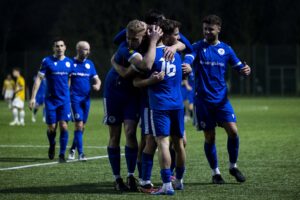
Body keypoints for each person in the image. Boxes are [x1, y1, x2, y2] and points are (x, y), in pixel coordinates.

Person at [182, 15, 251, 184]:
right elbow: (188, 59)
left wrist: (245, 70)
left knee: (233, 132)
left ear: (219, 29)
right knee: (209, 137)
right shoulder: (197, 47)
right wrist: (187, 65)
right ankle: (216, 173)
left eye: (210, 29)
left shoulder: (226, 49)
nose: (207, 32)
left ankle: (233, 166)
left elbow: (239, 67)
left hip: (222, 101)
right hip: (203, 102)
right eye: (205, 28)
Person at [104, 19, 162, 192]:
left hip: (132, 94)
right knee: (114, 135)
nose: (130, 41)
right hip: (113, 91)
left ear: (144, 37)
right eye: (128, 37)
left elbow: (184, 43)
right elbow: (144, 65)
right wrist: (118, 65)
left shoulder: (147, 45)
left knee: (130, 132)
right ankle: (117, 178)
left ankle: (130, 175)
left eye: (135, 39)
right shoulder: (125, 47)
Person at [145, 19, 186, 195]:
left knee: (162, 142)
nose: (178, 38)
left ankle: (167, 186)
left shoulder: (153, 54)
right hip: (177, 104)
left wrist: (152, 42)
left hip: (160, 105)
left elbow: (146, 65)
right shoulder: (176, 55)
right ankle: (179, 181)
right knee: (179, 143)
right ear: (167, 36)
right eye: (175, 35)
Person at [29, 38, 73, 163]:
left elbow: (69, 79)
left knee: (64, 126)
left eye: (61, 46)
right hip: (50, 100)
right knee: (52, 128)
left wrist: (68, 94)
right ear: (54, 48)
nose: (59, 48)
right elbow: (38, 79)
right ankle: (52, 144)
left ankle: (61, 155)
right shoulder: (47, 61)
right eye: (57, 46)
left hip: (64, 100)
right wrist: (33, 97)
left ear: (65, 47)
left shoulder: (69, 63)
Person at [68, 41, 101, 161]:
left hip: (86, 99)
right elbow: (67, 80)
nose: (88, 51)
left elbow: (97, 79)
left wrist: (97, 85)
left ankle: (72, 149)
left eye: (88, 49)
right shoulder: (70, 63)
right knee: (79, 124)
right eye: (85, 49)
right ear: (78, 50)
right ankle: (81, 154)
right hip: (74, 99)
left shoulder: (90, 64)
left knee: (82, 127)